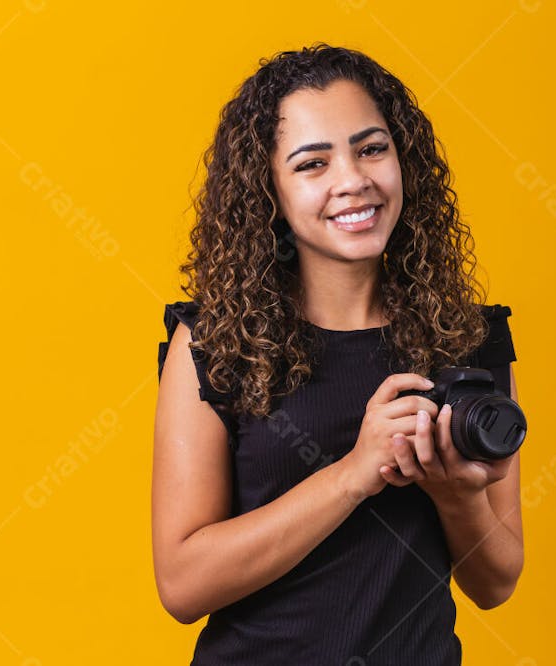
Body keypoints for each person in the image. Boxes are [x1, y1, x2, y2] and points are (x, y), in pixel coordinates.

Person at [153, 43, 524, 665]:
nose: (353, 180)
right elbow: (183, 584)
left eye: (372, 148)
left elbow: (497, 582)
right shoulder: (218, 341)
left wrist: (455, 494)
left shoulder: (465, 338)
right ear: (267, 188)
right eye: (311, 164)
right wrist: (356, 473)